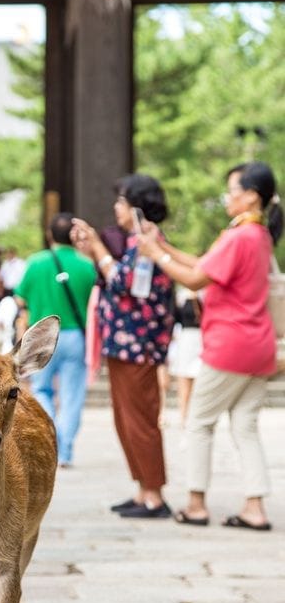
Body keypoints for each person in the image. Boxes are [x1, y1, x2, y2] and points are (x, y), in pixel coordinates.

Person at [137, 161, 282, 530]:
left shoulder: (239, 237)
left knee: (199, 422)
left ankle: (196, 504)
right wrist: (164, 245)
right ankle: (255, 507)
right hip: (258, 344)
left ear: (251, 196)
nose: (227, 198)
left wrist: (156, 256)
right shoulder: (258, 234)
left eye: (231, 191)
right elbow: (204, 264)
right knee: (245, 426)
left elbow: (196, 278)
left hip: (231, 343)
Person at [71, 174, 174, 515]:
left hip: (138, 345)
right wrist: (93, 251)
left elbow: (128, 283)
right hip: (123, 344)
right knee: (125, 419)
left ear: (137, 208)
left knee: (140, 420)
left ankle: (154, 493)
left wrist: (99, 248)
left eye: (121, 202)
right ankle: (143, 488)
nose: (116, 208)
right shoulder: (136, 241)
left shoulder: (148, 240)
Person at [14, 211, 97, 468]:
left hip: (42, 336)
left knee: (42, 390)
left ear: (49, 234)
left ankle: (51, 439)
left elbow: (19, 299)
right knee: (72, 395)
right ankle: (66, 451)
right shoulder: (87, 265)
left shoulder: (36, 263)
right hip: (75, 336)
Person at [169, 287, 204, 428]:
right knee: (183, 380)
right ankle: (183, 416)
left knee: (199, 381)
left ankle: (195, 416)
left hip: (201, 339)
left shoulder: (204, 295)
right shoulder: (181, 296)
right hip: (185, 340)